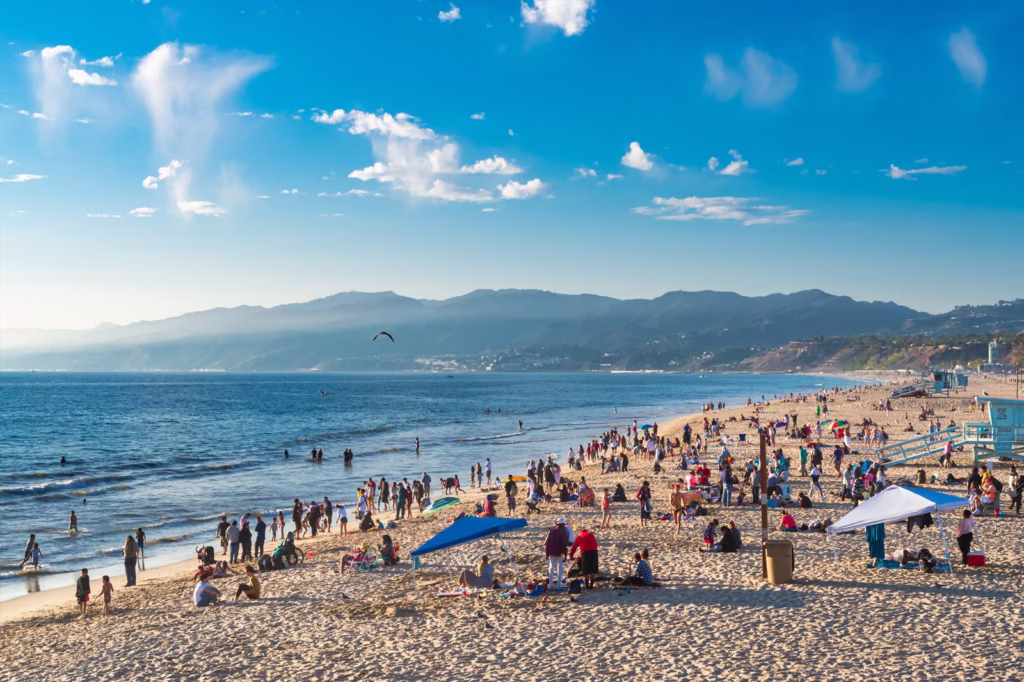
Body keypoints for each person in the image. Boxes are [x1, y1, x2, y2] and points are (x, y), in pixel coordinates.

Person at [544, 518, 570, 589]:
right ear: (562, 525)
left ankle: (551, 585)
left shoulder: (552, 531)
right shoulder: (562, 532)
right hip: (559, 553)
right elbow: (563, 544)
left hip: (552, 552)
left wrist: (547, 554)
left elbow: (548, 543)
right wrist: (565, 554)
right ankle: (559, 585)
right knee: (560, 568)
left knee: (551, 568)